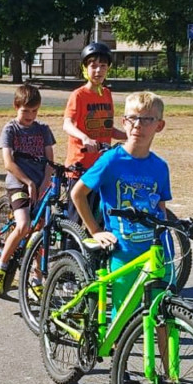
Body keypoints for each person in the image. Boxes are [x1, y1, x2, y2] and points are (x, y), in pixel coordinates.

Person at [70, 91, 171, 311]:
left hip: (155, 251)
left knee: (162, 313)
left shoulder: (160, 166)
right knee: (122, 316)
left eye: (147, 120)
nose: (138, 125)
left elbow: (161, 208)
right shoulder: (111, 160)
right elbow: (77, 194)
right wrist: (95, 230)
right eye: (133, 118)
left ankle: (164, 348)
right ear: (124, 122)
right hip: (123, 253)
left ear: (159, 126)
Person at [0, 83, 55, 295]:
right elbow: (8, 163)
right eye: (26, 111)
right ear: (16, 107)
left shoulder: (43, 129)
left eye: (34, 111)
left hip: (40, 185)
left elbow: (50, 162)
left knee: (40, 232)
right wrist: (28, 182)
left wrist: (44, 183)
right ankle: (1, 268)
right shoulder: (10, 129)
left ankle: (37, 278)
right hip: (18, 183)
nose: (30, 116)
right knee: (24, 224)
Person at [62, 41, 126, 173]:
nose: (98, 70)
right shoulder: (78, 95)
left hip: (102, 165)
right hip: (80, 165)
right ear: (85, 68)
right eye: (94, 66)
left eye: (103, 66)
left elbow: (107, 129)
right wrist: (85, 138)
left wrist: (130, 136)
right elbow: (67, 125)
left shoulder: (107, 94)